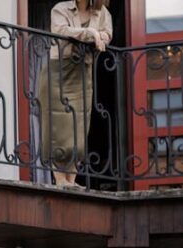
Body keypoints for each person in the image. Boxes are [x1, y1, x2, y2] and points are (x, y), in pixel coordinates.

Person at [40, 0, 113, 187]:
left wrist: (100, 37)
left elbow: (107, 34)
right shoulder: (60, 9)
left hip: (83, 71)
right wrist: (91, 34)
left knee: (78, 124)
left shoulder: (102, 12)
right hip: (59, 70)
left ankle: (71, 179)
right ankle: (59, 179)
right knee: (58, 124)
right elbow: (61, 31)